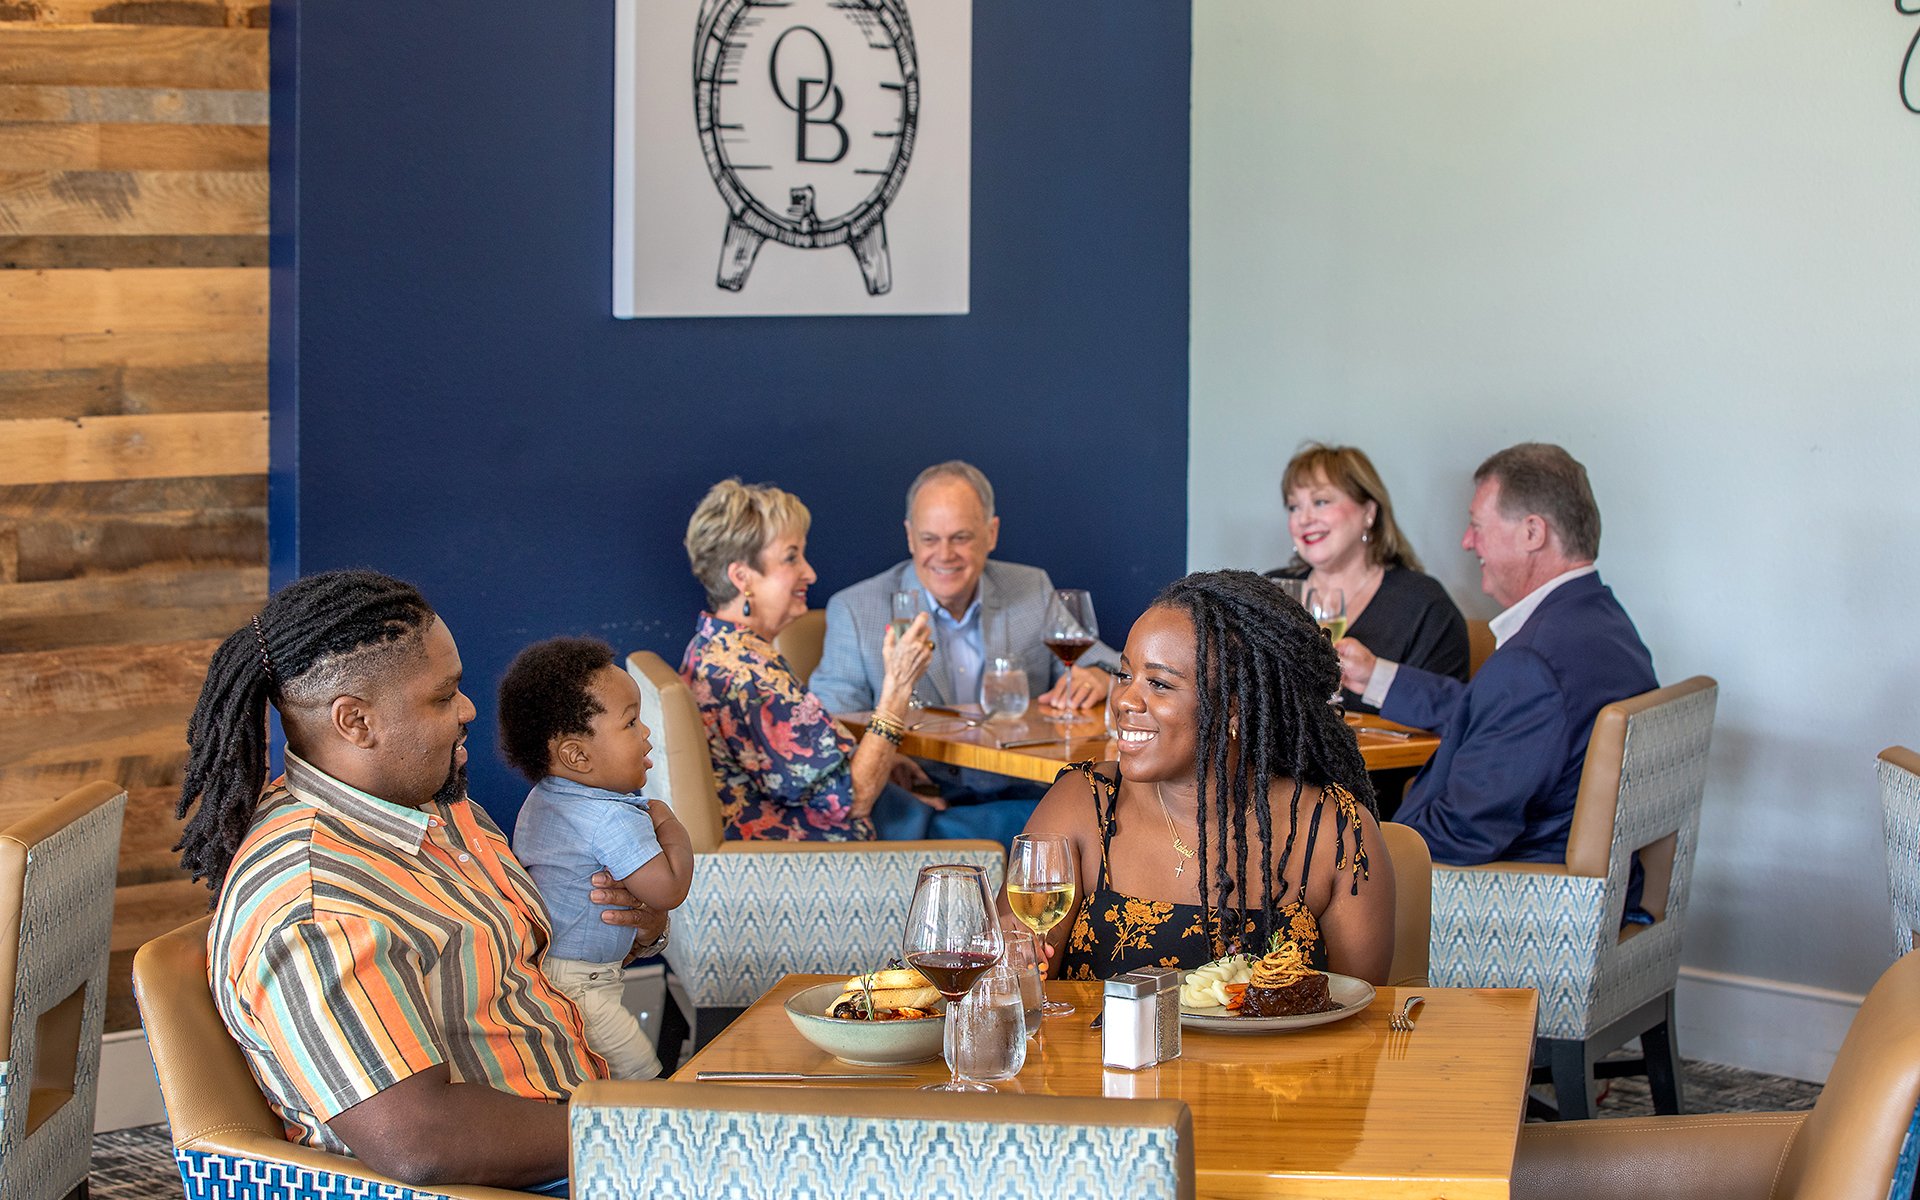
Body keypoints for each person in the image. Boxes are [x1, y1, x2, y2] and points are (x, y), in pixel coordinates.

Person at [174, 569, 666, 1191]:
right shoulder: (319, 909)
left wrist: (633, 926)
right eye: (442, 696)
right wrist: (651, 1130)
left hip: (592, 1117)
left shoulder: (431, 804)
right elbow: (423, 1143)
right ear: (355, 721)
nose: (468, 709)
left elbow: (517, 961)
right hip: (533, 1176)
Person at [1020, 570, 1396, 984]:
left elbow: (1365, 1011)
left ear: (1234, 706)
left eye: (1159, 684)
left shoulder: (1333, 834)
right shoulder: (1082, 805)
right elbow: (1019, 977)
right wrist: (1013, 960)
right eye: (1125, 675)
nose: (1125, 699)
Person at [1337, 443, 1657, 874]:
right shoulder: (1602, 620)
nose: (1467, 542)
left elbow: (1460, 833)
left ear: (1532, 533)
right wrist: (1374, 677)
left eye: (1476, 525)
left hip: (1508, 886)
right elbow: (1497, 718)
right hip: (1589, 879)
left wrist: (1352, 846)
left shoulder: (1532, 663)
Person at [810, 461, 1119, 844]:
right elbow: (830, 729)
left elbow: (1113, 666)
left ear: (991, 533)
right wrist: (887, 759)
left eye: (960, 538)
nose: (944, 555)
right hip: (923, 805)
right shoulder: (857, 611)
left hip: (1031, 793)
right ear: (909, 537)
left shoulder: (1031, 588)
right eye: (929, 539)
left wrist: (1099, 678)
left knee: (1109, 813)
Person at [680, 478, 940, 840]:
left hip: (856, 826)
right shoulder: (751, 673)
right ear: (742, 577)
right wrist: (897, 688)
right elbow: (854, 800)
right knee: (1016, 825)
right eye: (791, 558)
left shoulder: (714, 646)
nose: (810, 573)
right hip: (845, 853)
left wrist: (884, 758)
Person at [499, 636, 693, 1082]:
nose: (646, 733)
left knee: (604, 1082)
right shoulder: (610, 816)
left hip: (554, 974)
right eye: (631, 723)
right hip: (582, 987)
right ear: (577, 755)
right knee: (643, 1085)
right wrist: (672, 827)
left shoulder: (544, 798)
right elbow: (667, 889)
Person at [1266, 442, 1469, 708]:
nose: (1303, 519)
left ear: (1369, 512)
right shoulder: (1271, 591)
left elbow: (1448, 714)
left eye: (1321, 502)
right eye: (1294, 507)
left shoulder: (1425, 605)